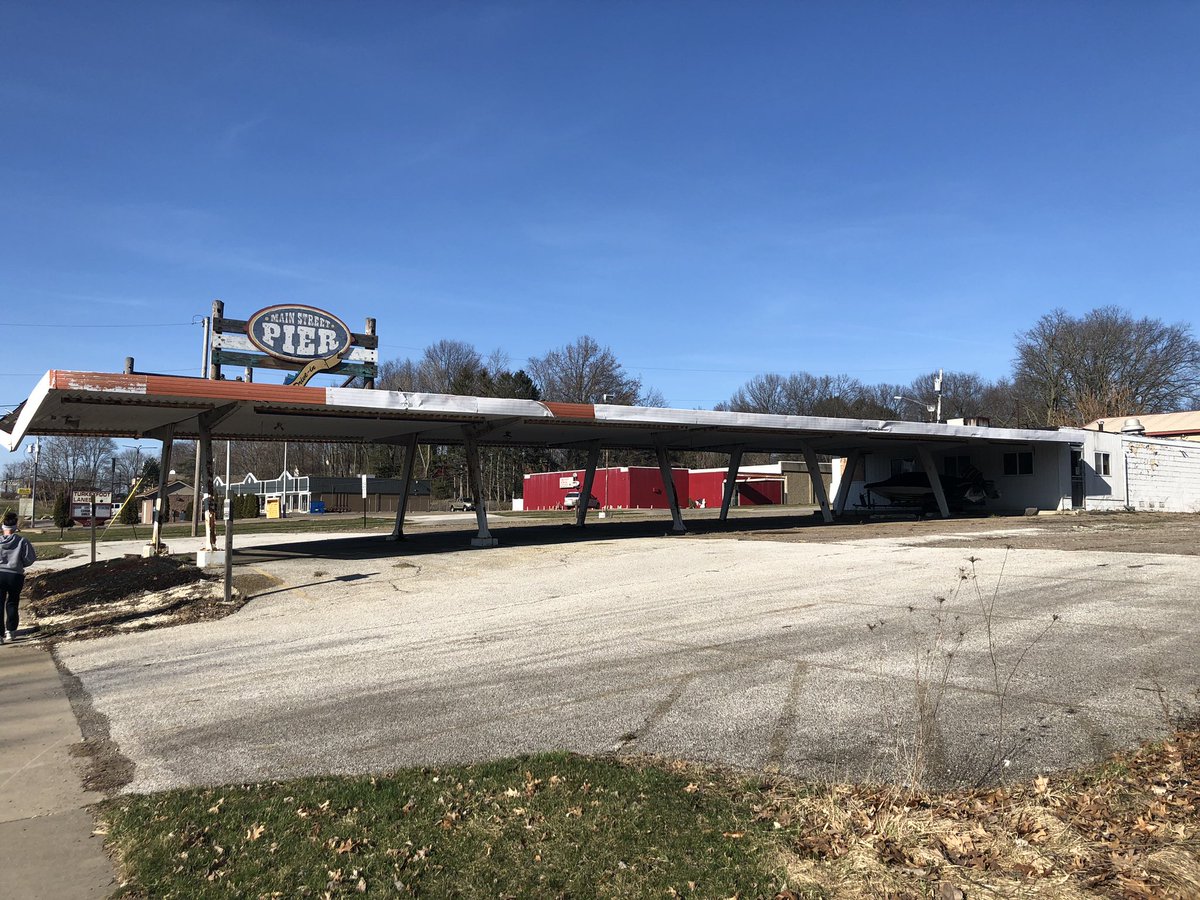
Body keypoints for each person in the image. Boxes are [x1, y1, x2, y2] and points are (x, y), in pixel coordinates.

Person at [0, 511, 37, 644]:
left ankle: (0, 635)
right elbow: (30, 559)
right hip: (15, 575)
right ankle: (11, 631)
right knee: (13, 602)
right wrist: (20, 564)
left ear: (3, 527)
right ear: (15, 527)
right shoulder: (22, 541)